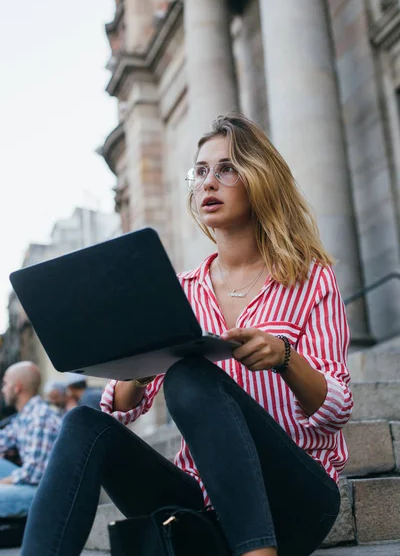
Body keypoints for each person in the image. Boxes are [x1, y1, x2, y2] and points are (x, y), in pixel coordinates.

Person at [20, 113, 352, 556]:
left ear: (261, 178)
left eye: (227, 168)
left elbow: (336, 410)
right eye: (199, 171)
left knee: (190, 378)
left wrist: (285, 358)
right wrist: (135, 363)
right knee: (83, 422)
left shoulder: (311, 279)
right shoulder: (180, 291)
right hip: (204, 507)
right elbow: (119, 410)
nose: (208, 182)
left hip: (296, 500)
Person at [0, 361, 61, 518]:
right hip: (31, 481)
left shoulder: (40, 417)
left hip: (44, 492)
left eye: (5, 384)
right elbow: (3, 440)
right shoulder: (25, 415)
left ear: (17, 388)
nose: (3, 389)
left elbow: (34, 475)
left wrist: (2, 483)